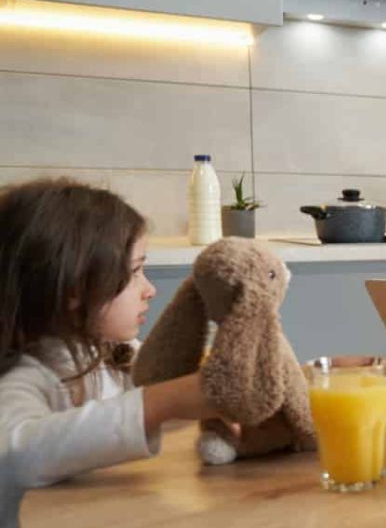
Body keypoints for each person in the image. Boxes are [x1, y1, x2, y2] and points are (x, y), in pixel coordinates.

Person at [0, 179, 237, 524]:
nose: (150, 290)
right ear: (74, 289)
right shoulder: (25, 373)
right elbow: (16, 454)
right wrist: (161, 402)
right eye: (135, 271)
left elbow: (171, 392)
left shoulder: (113, 350)